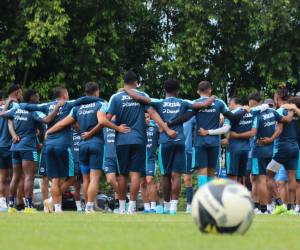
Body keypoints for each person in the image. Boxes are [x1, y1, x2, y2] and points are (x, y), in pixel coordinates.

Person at [124, 78, 215, 214]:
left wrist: (126, 89)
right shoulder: (183, 102)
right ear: (178, 90)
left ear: (165, 90)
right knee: (177, 175)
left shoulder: (159, 102)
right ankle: (173, 207)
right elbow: (203, 104)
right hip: (179, 141)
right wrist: (212, 97)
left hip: (165, 141)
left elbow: (140, 97)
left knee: (165, 175)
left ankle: (166, 206)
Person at [46, 82, 129, 213]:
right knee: (94, 178)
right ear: (97, 92)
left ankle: (86, 206)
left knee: (85, 179)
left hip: (82, 145)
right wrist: (118, 128)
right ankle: (90, 207)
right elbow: (102, 121)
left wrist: (49, 131)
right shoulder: (100, 104)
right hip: (96, 144)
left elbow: (62, 123)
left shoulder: (77, 107)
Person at [107, 70, 177, 214]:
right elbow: (153, 114)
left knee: (122, 175)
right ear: (135, 82)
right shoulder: (142, 96)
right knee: (135, 175)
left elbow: (106, 119)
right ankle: (132, 207)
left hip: (121, 140)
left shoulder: (116, 97)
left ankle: (121, 208)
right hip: (139, 140)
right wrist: (167, 129)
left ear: (124, 82)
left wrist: (116, 128)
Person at [20, 87, 100, 213]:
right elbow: (83, 99)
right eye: (67, 93)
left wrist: (16, 105)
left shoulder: (46, 106)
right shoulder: (67, 104)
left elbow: (27, 107)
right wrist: (99, 100)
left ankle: (57, 208)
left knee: (55, 178)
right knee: (73, 177)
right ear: (64, 95)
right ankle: (51, 200)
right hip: (63, 145)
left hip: (48, 146)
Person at [0, 90, 63, 213]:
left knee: (16, 176)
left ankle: (11, 206)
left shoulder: (17, 109)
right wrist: (57, 107)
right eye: (37, 96)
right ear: (32, 97)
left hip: (15, 147)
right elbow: (47, 120)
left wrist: (7, 103)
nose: (39, 98)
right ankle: (28, 207)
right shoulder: (34, 111)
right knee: (29, 177)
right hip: (28, 147)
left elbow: (3, 114)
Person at [250, 94, 284, 214]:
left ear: (254, 102)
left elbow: (252, 132)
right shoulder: (272, 112)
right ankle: (274, 204)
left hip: (257, 150)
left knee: (260, 180)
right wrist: (271, 138)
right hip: (270, 150)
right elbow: (282, 123)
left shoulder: (256, 114)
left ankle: (262, 209)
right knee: (265, 178)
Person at [266, 86, 296, 215]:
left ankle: (279, 205)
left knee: (268, 174)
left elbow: (279, 129)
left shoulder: (279, 111)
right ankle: (291, 209)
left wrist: (270, 139)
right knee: (292, 179)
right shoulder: (294, 110)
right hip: (295, 147)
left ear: (277, 98)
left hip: (283, 148)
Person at [0, 85, 22, 212]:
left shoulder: (5, 105)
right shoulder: (15, 106)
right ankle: (16, 203)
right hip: (12, 146)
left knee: (2, 177)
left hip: (0, 146)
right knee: (16, 176)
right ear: (17, 93)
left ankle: (2, 203)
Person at [141, 113, 159, 213]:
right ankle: (146, 207)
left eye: (148, 117)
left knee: (149, 180)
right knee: (142, 183)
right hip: (139, 159)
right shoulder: (136, 127)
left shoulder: (155, 127)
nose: (146, 119)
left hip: (150, 158)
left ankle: (153, 207)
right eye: (144, 118)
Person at [183, 116, 196, 213]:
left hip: (193, 150)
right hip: (181, 151)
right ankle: (189, 205)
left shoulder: (192, 117)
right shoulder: (170, 116)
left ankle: (191, 205)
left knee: (189, 179)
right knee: (186, 179)